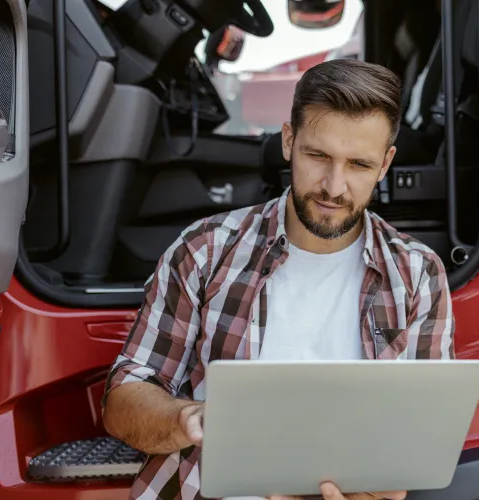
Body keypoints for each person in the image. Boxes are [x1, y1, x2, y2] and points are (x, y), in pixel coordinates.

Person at [101, 58, 455, 500]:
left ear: (385, 165)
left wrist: (384, 486)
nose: (334, 185)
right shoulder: (205, 250)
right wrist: (186, 419)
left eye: (359, 165)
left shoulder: (419, 274)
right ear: (288, 141)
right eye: (318, 155)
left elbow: (421, 435)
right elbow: (123, 400)